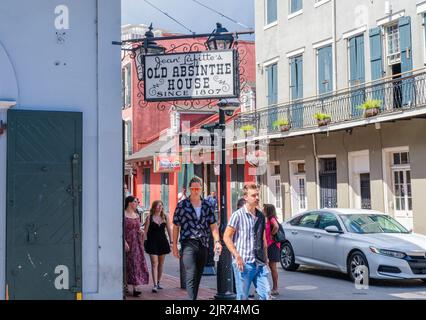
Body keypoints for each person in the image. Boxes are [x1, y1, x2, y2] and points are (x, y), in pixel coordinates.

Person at [172, 176, 222, 300]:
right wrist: (174, 246)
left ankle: (193, 297)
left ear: (201, 189)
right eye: (193, 188)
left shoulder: (207, 205)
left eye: (198, 188)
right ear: (190, 189)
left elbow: (213, 225)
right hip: (188, 242)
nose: (195, 191)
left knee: (198, 274)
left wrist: (217, 241)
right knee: (191, 272)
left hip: (203, 243)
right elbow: (176, 226)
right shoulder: (182, 205)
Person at [223, 184, 271, 300]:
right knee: (242, 297)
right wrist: (237, 256)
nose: (257, 198)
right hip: (243, 264)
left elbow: (263, 240)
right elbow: (226, 237)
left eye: (257, 195)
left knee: (266, 294)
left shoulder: (261, 216)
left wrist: (266, 259)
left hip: (259, 263)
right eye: (253, 195)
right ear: (245, 197)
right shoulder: (237, 215)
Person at [143, 200, 172, 293]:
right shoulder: (149, 217)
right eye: (158, 206)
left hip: (162, 242)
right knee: (154, 263)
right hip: (152, 242)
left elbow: (169, 229)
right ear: (154, 207)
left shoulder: (165, 217)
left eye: (161, 206)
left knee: (161, 264)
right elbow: (145, 232)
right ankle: (155, 285)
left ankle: (158, 282)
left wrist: (171, 241)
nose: (160, 207)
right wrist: (143, 242)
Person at [124, 196, 149, 297]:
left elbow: (138, 228)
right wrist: (124, 242)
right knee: (127, 264)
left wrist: (141, 231)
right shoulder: (123, 214)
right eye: (135, 202)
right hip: (127, 241)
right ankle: (125, 285)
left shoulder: (137, 215)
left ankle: (135, 287)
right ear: (130, 203)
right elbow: (120, 230)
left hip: (136, 243)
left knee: (136, 263)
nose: (137, 203)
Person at [263, 204, 281, 296]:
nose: (263, 210)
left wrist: (271, 235)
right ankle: (263, 286)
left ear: (268, 210)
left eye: (264, 209)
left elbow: (276, 227)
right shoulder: (266, 219)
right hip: (267, 245)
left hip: (273, 245)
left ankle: (275, 288)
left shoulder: (272, 218)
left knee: (272, 267)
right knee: (265, 265)